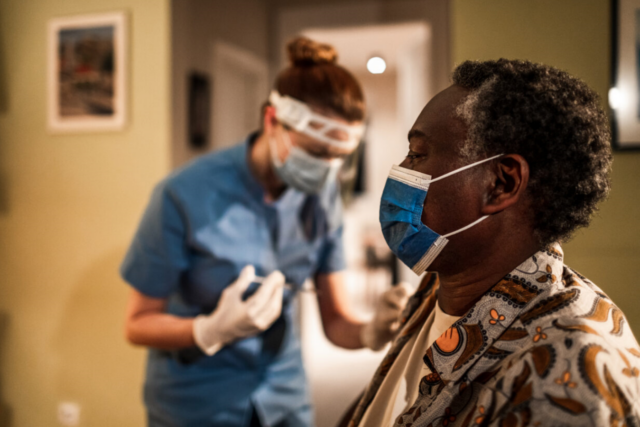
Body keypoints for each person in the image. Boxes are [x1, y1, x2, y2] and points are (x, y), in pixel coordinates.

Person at [121, 37, 411, 427]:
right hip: (197, 402)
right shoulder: (183, 195)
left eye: (340, 158)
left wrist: (372, 330)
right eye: (316, 153)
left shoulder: (321, 196)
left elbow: (336, 322)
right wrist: (207, 330)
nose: (328, 170)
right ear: (272, 120)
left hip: (284, 399)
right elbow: (138, 324)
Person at [347, 59, 640, 427]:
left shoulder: (565, 376)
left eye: (418, 154)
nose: (402, 170)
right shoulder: (437, 288)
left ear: (502, 183)